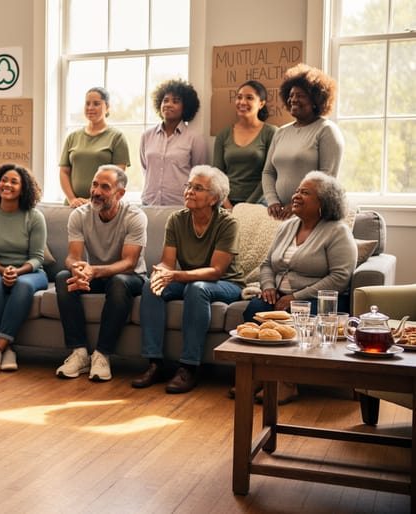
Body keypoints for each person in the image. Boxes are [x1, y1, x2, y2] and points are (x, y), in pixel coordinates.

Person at [241, 171, 356, 404]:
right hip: (282, 295)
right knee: (253, 309)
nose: (296, 196)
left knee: (297, 315)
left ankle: (286, 383)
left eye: (305, 192)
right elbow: (267, 264)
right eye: (296, 191)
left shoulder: (337, 231)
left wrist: (296, 297)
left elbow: (340, 277)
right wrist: (268, 287)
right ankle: (259, 377)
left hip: (320, 299)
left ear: (323, 202)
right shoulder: (287, 226)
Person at [133, 165, 243, 394]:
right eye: (189, 186)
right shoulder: (176, 219)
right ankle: (155, 363)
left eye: (197, 188)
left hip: (227, 284)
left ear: (213, 198)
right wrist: (162, 272)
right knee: (150, 285)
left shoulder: (227, 223)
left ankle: (189, 368)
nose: (189, 191)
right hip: (189, 279)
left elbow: (215, 271)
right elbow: (167, 262)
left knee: (197, 288)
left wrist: (175, 275)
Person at [54, 165, 148, 382]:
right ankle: (79, 353)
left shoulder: (134, 216)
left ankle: (102, 355)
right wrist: (77, 268)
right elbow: (73, 256)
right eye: (94, 184)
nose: (96, 191)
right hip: (96, 274)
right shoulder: (79, 215)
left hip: (131, 277)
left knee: (118, 282)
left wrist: (93, 271)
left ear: (120, 193)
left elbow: (129, 262)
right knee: (62, 278)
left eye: (105, 187)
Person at [0, 164, 47, 373]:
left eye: (14, 181)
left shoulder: (34, 217)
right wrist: (2, 271)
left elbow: (37, 258)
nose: (7, 184)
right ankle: (8, 349)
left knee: (22, 286)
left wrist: (17, 272)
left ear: (24, 188)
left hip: (31, 273)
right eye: (4, 180)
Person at [262, 64, 344, 220]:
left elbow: (326, 180)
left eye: (300, 95)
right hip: (279, 213)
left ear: (316, 100)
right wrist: (272, 201)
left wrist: (297, 206)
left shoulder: (327, 130)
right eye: (291, 95)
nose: (293, 99)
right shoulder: (281, 132)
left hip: (311, 214)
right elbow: (268, 172)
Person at [58, 87, 131, 208]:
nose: (90, 108)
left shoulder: (117, 137)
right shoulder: (72, 137)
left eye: (96, 104)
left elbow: (118, 176)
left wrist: (91, 200)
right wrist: (72, 199)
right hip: (73, 206)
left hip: (102, 205)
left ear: (107, 107)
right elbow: (64, 172)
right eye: (87, 103)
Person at [139, 79, 208, 206]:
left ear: (185, 107)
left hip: (180, 206)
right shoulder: (147, 136)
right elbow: (146, 168)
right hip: (149, 204)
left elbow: (199, 176)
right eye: (165, 100)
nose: (168, 104)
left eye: (175, 101)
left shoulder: (195, 139)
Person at [212, 80, 277, 207]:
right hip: (225, 202)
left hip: (259, 203)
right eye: (239, 97)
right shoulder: (223, 135)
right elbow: (217, 174)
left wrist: (245, 207)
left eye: (249, 98)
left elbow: (270, 174)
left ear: (261, 103)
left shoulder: (271, 132)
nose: (242, 102)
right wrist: (227, 205)